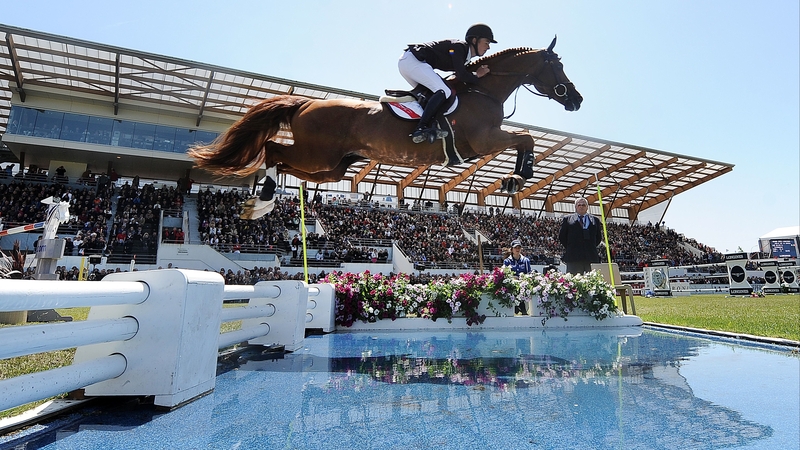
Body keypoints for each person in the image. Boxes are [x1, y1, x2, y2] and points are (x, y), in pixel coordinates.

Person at [399, 23, 495, 144]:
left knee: (434, 94)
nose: (488, 47)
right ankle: (421, 128)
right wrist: (477, 75)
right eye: (486, 42)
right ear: (474, 40)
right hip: (413, 61)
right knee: (444, 91)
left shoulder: (465, 55)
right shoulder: (460, 47)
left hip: (410, 63)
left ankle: (429, 124)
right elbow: (461, 75)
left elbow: (458, 77)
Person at [558, 197, 603, 274]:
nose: (581, 207)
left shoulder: (595, 220)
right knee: (575, 282)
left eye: (583, 205)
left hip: (591, 256)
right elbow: (562, 237)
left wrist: (589, 246)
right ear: (575, 207)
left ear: (587, 207)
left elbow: (598, 237)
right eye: (579, 205)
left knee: (593, 282)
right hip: (574, 257)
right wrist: (572, 246)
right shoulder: (568, 219)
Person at [503, 239, 531, 315]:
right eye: (515, 248)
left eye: (519, 248)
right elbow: (505, 274)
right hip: (512, 285)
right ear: (512, 249)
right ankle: (521, 309)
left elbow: (528, 274)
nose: (517, 249)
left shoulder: (526, 261)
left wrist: (523, 279)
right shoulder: (507, 261)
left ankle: (519, 308)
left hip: (523, 284)